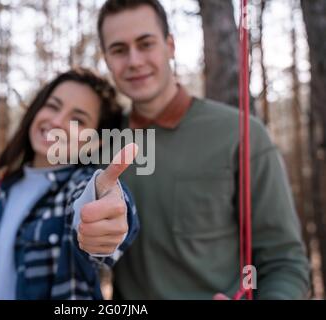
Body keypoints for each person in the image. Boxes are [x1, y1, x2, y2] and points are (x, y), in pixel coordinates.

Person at [89, 0, 310, 299]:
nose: (134, 60)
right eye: (119, 50)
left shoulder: (241, 133)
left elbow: (284, 261)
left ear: (170, 46)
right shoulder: (102, 144)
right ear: (106, 59)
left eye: (146, 43)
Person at [0, 68, 139, 300]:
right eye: (52, 106)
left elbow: (95, 207)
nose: (57, 121)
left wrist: (106, 216)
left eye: (77, 120)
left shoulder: (79, 186)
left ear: (95, 141)